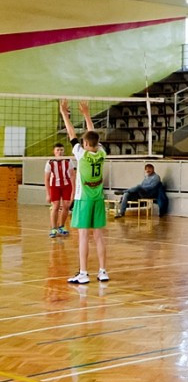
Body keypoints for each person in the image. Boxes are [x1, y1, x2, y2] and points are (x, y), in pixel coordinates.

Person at [60, 99, 110, 284]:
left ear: (86, 145)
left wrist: (64, 114)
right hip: (98, 199)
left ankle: (83, 273)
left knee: (83, 236)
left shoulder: (82, 154)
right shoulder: (102, 152)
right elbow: (92, 134)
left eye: (83, 142)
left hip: (83, 199)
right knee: (99, 236)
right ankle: (103, 271)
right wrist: (87, 114)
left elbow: (71, 133)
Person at [44, 142, 74, 238]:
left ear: (64, 151)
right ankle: (53, 228)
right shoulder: (50, 162)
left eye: (61, 150)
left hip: (66, 185)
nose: (60, 152)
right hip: (55, 186)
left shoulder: (68, 161)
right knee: (55, 206)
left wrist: (73, 191)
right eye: (58, 150)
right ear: (54, 151)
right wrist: (47, 194)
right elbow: (46, 179)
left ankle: (61, 226)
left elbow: (73, 176)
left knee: (66, 206)